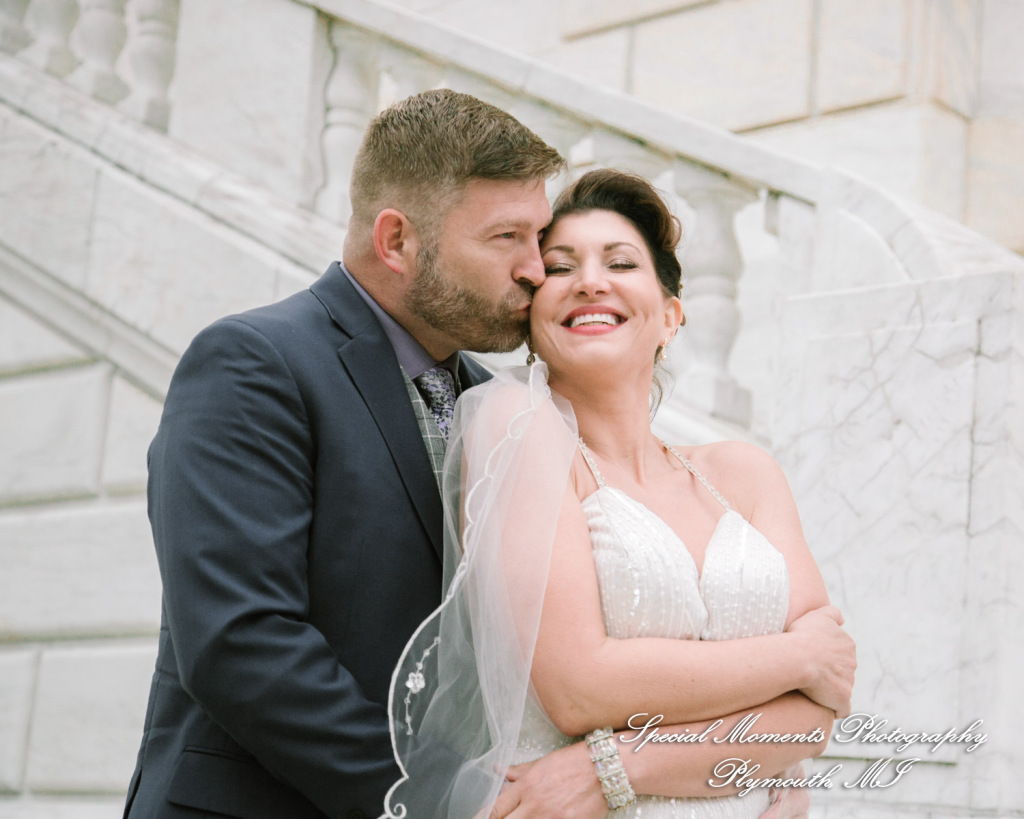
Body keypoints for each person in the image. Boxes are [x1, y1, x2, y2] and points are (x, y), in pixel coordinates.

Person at [121, 89, 563, 818]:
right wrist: (449, 801)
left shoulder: (498, 406)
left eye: (539, 235)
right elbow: (240, 642)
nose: (537, 269)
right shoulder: (252, 362)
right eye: (505, 237)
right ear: (396, 241)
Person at [386, 169, 857, 818]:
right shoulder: (516, 427)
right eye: (560, 267)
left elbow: (818, 712)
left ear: (670, 316)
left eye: (620, 262)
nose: (589, 281)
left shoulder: (745, 473)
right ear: (532, 316)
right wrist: (798, 656)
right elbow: (579, 686)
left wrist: (608, 765)